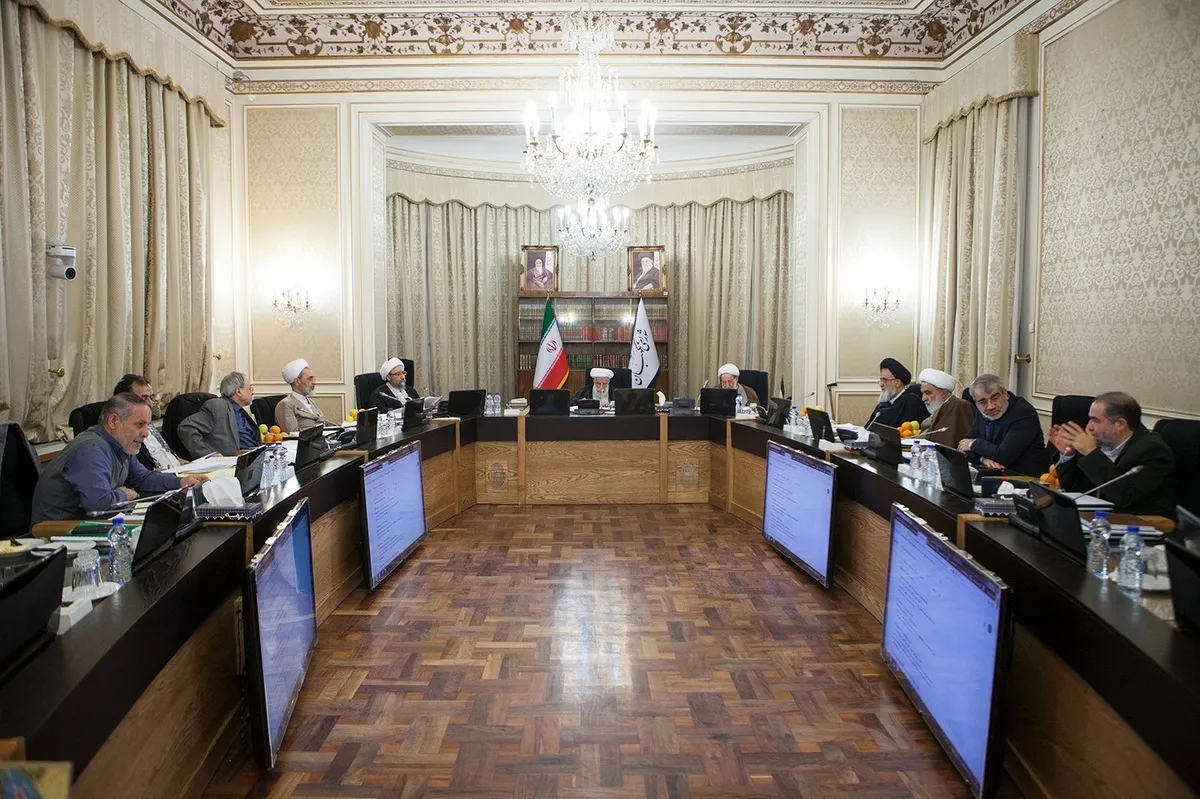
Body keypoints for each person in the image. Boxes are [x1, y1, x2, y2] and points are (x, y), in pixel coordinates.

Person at [31, 393, 207, 523]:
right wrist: (124, 493)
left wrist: (180, 482)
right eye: (139, 424)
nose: (146, 433)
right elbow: (99, 504)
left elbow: (142, 478)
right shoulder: (92, 449)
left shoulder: (122, 444)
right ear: (114, 421)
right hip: (58, 533)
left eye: (147, 425)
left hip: (91, 524)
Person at [1049, 392, 1176, 517]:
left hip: (1136, 522)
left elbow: (1123, 496)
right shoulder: (1102, 442)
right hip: (1096, 518)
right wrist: (1068, 455)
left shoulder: (1152, 450)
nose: (1089, 426)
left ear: (1120, 424)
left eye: (1095, 420)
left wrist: (1090, 452)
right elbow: (1076, 490)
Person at [958, 374, 1048, 476]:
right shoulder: (982, 410)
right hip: (993, 472)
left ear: (1005, 393)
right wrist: (983, 459)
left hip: (1022, 476)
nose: (990, 407)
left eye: (995, 398)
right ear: (976, 402)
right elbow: (963, 445)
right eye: (982, 402)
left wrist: (974, 444)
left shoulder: (1023, 412)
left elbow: (1004, 455)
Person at [178, 372, 260, 458]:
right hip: (234, 462)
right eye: (250, 388)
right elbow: (186, 427)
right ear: (238, 391)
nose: (252, 392)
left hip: (254, 458)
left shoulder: (239, 410)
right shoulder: (217, 406)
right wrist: (207, 455)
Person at [112, 373, 181, 471]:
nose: (150, 403)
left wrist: (178, 460)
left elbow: (164, 450)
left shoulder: (148, 423)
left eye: (151, 398)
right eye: (144, 398)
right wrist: (153, 473)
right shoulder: (122, 433)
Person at [916, 368, 976, 447]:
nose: (923, 398)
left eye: (928, 393)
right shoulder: (941, 407)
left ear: (943, 394)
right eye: (923, 393)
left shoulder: (960, 407)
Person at [866, 358, 928, 429]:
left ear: (898, 383)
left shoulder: (911, 402)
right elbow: (868, 428)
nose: (881, 384)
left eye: (885, 380)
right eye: (881, 380)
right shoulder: (882, 405)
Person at [275, 358, 329, 433]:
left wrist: (343, 427)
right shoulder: (285, 405)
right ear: (297, 382)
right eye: (310, 379)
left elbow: (325, 423)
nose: (314, 382)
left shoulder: (311, 401)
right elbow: (294, 433)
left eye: (313, 378)